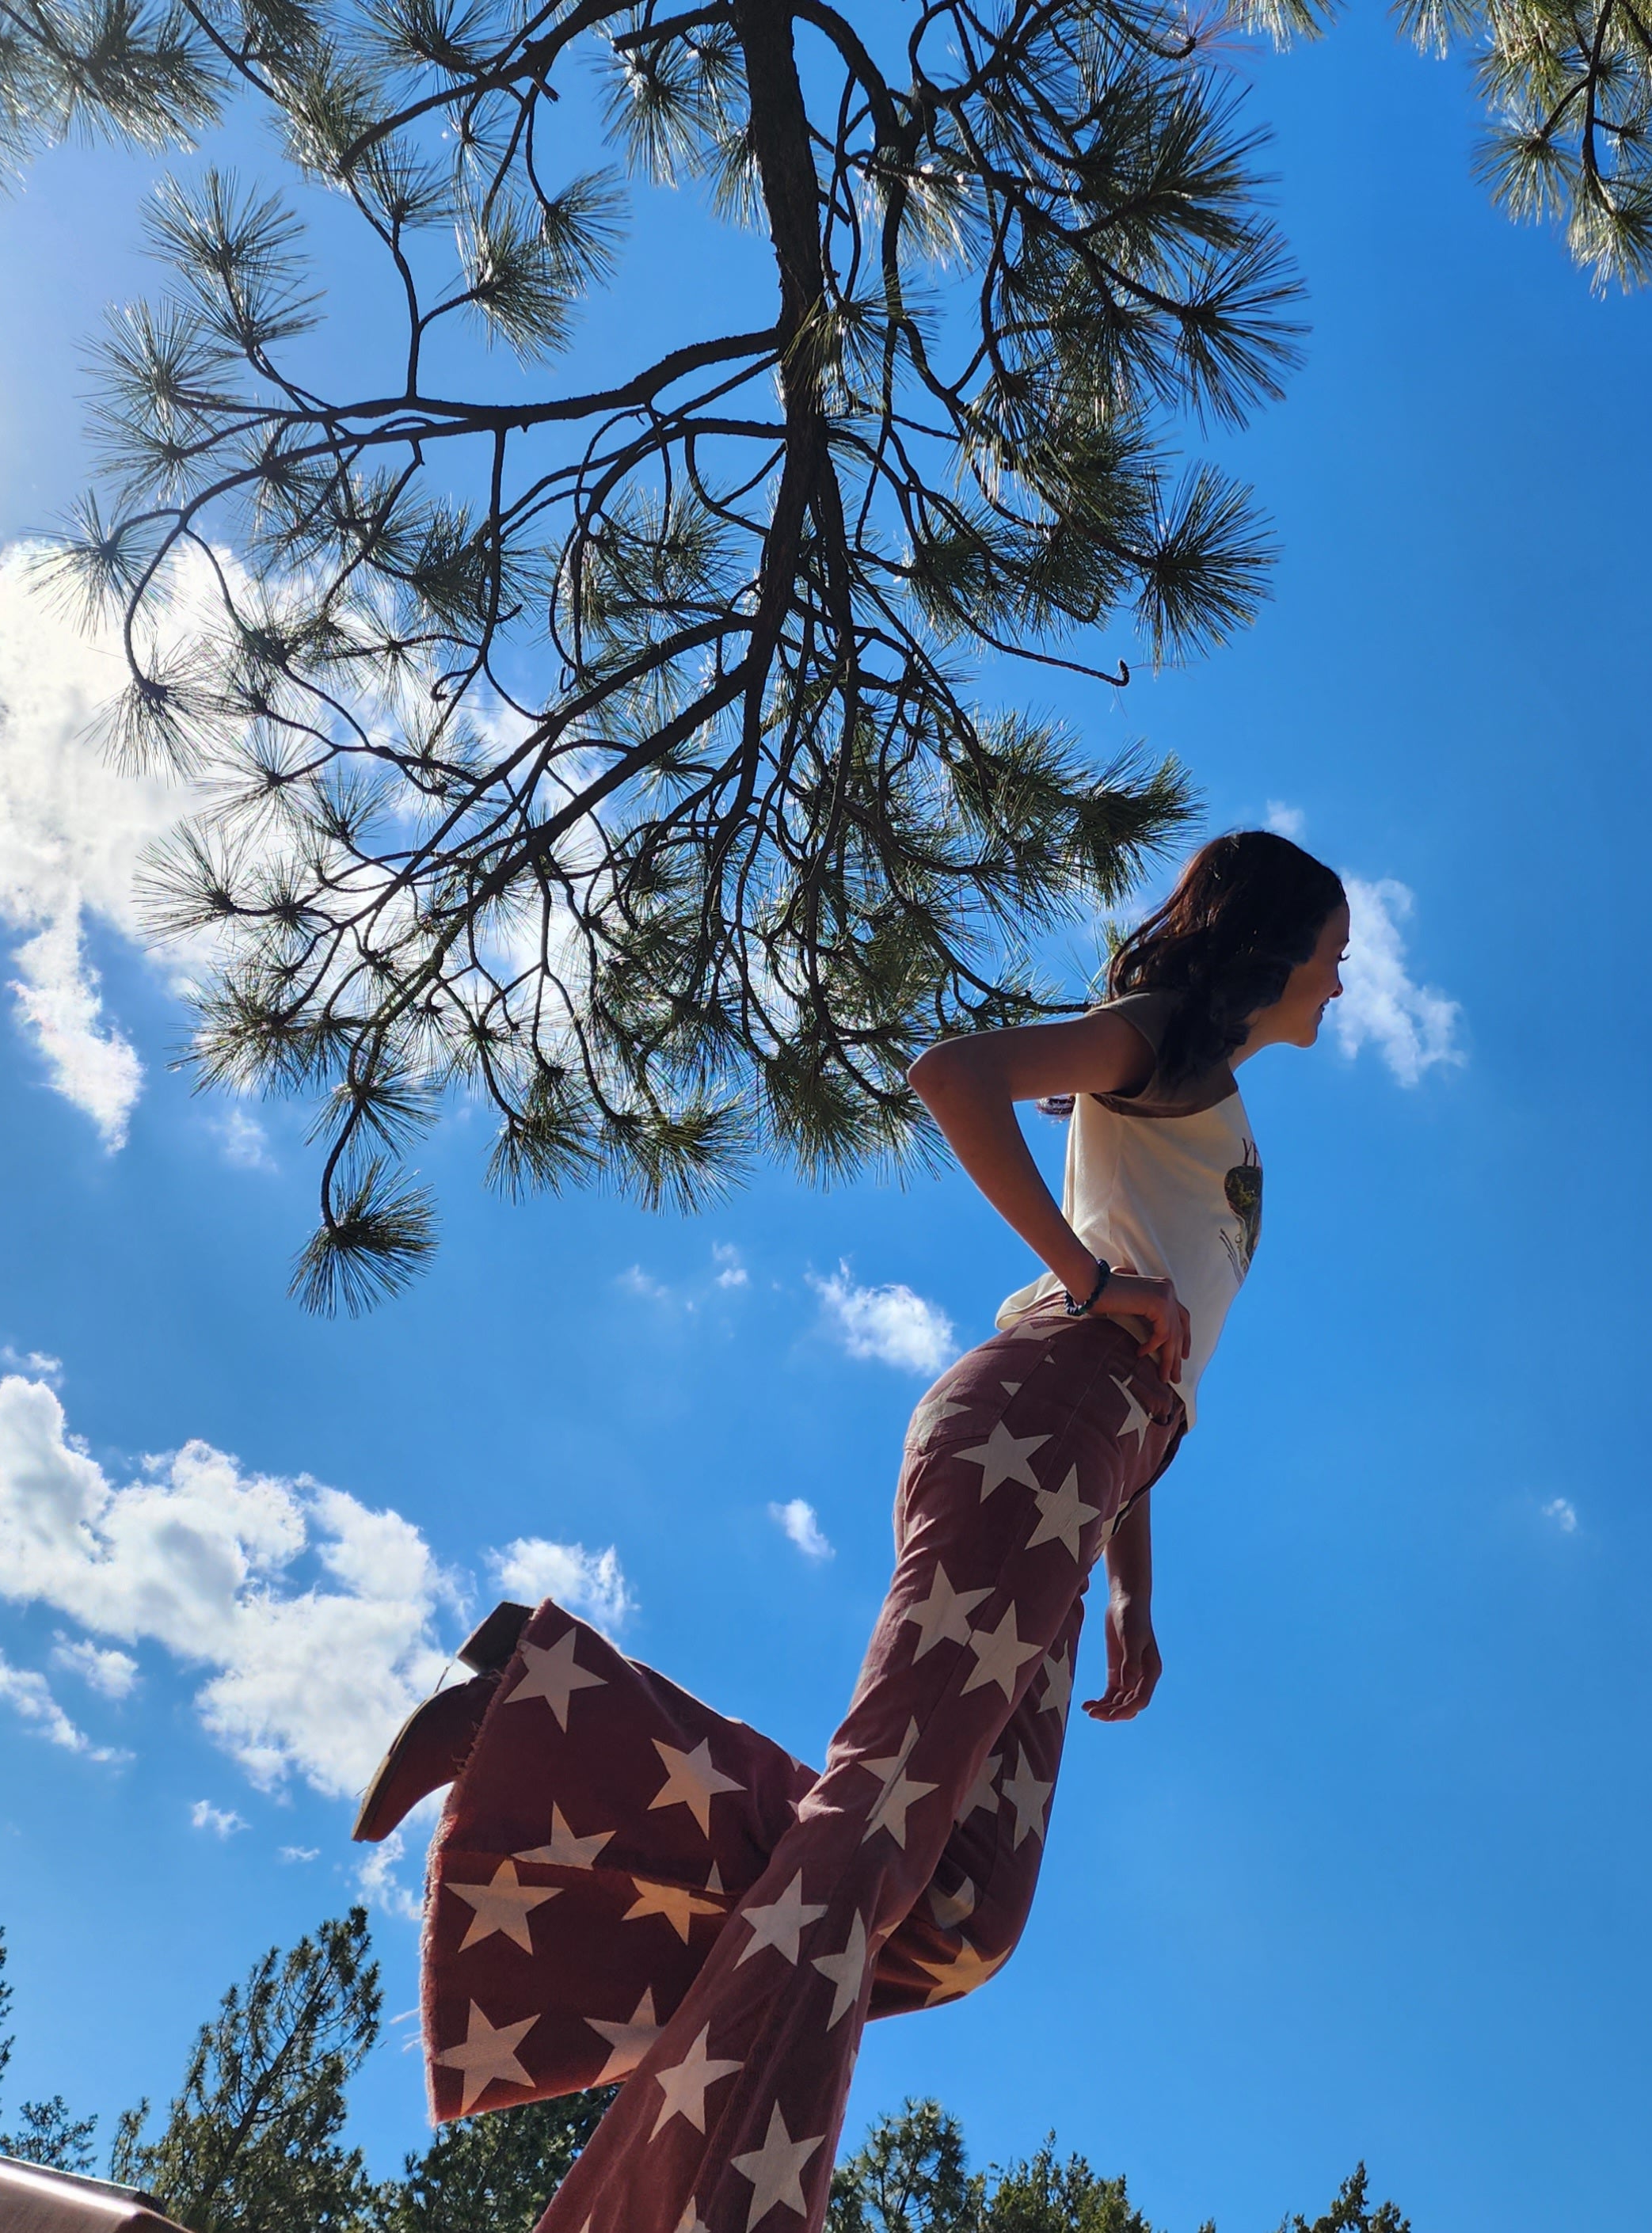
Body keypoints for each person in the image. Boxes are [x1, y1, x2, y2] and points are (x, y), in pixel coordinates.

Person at [349, 828, 1350, 2233]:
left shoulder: (1224, 1114)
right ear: (1271, 944)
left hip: (1091, 1471)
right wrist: (1079, 1278)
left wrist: (1133, 1585)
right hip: (1037, 1421)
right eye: (1332, 955)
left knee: (958, 1922)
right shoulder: (1154, 1040)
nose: (1342, 984)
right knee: (871, 1836)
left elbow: (1167, 1363)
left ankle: (543, 1723)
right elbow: (955, 1078)